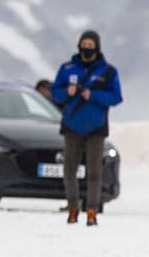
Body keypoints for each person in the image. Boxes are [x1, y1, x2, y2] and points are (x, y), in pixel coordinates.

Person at [50, 30, 122, 226]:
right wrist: (67, 92)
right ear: (79, 45)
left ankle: (92, 209)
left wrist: (94, 96)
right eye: (85, 44)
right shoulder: (67, 68)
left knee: (94, 172)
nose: (87, 48)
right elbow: (54, 93)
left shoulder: (108, 71)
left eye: (91, 45)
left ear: (97, 47)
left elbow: (116, 97)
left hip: (96, 127)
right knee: (69, 170)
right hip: (72, 125)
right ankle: (72, 207)